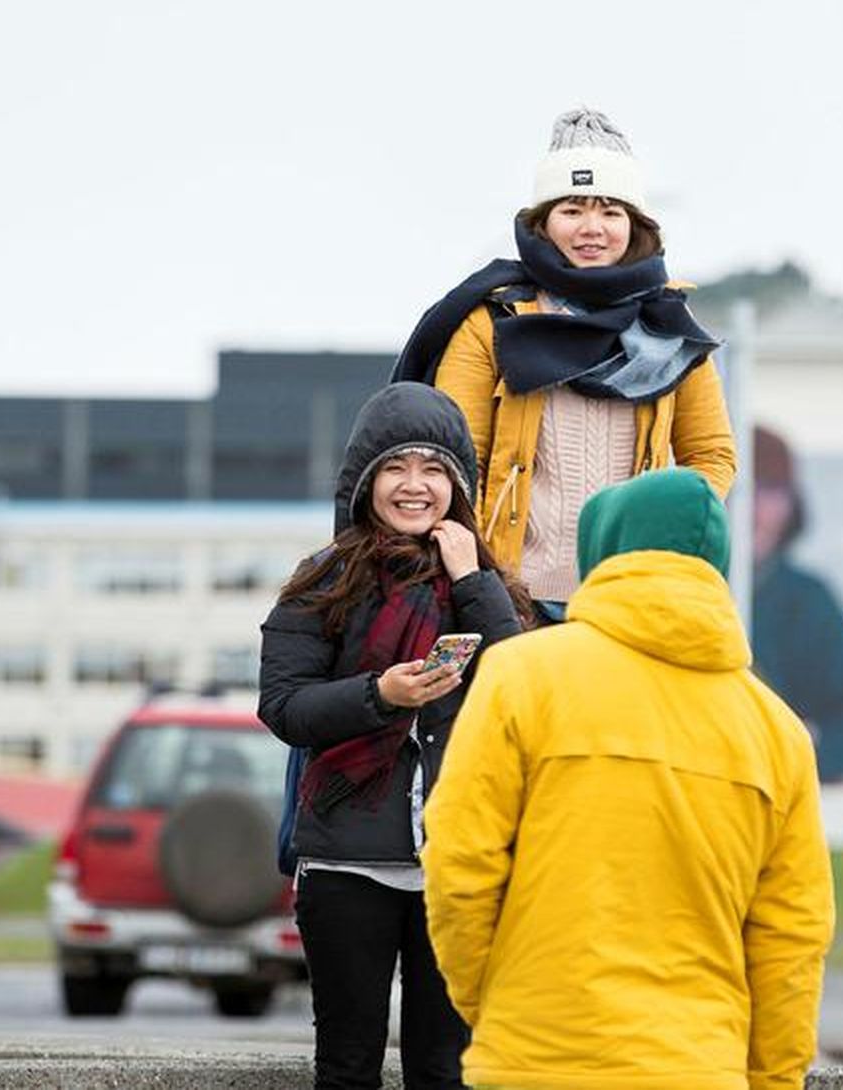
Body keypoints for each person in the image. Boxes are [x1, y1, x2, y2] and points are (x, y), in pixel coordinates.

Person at [423, 468, 834, 1090]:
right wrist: (771, 1079)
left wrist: (498, 1001)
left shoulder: (521, 676)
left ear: (604, 555)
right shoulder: (776, 731)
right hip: (699, 1066)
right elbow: (792, 937)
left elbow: (459, 862)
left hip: (539, 1054)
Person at [258, 382, 529, 1090]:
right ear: (366, 481)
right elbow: (285, 707)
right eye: (397, 468)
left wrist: (472, 579)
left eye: (434, 469)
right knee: (347, 1066)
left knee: (445, 1070)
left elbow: (525, 688)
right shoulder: (321, 581)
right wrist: (381, 696)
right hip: (348, 861)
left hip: (457, 865)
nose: (415, 486)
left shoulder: (489, 584)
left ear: (458, 484)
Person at [391, 107, 735, 620]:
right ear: (543, 223)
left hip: (629, 599)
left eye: (611, 212)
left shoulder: (670, 327)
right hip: (508, 596)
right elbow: (459, 458)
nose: (592, 228)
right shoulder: (492, 320)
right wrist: (474, 572)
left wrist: (664, 533)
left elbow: (711, 456)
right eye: (572, 209)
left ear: (634, 225)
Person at [751, 426, 843, 780]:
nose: (753, 509)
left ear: (791, 505)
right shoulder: (678, 591)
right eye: (741, 489)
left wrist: (803, 747)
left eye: (770, 491)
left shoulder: (810, 603)